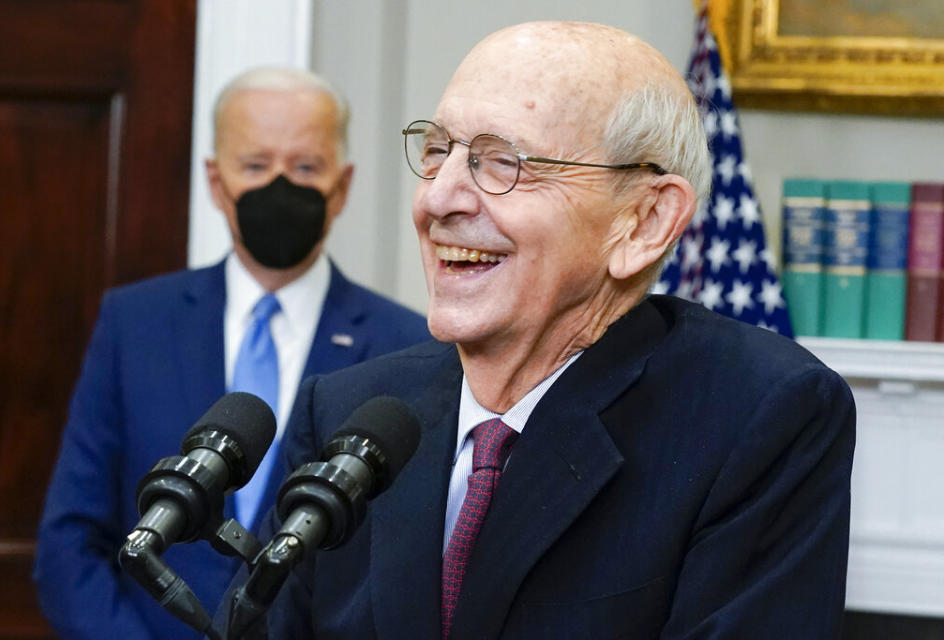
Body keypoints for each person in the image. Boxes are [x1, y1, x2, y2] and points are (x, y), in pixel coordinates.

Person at [219, 22, 855, 639]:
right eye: (438, 152)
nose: (439, 198)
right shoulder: (350, 411)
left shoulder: (761, 416)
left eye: (502, 162)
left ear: (643, 221)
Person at [33, 67, 430, 640]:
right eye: (255, 165)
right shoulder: (135, 323)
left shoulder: (409, 344)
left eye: (304, 167)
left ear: (341, 187)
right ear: (217, 182)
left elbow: (399, 567)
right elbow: (71, 539)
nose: (280, 187)